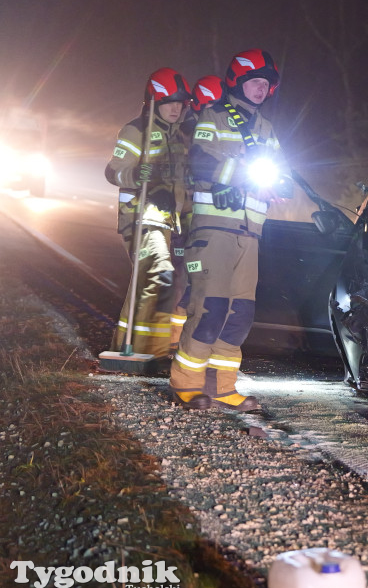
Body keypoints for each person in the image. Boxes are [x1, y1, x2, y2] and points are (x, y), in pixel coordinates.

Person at [170, 50, 291, 411]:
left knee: (239, 314)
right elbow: (201, 159)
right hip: (215, 230)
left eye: (266, 83)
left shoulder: (267, 130)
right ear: (238, 81)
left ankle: (222, 388)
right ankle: (186, 384)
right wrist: (237, 175)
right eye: (255, 81)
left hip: (249, 235)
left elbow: (282, 175)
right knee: (210, 307)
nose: (261, 88)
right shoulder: (214, 115)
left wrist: (279, 184)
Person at [105, 68, 191, 359]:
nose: (175, 107)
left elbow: (181, 186)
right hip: (140, 219)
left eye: (180, 102)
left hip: (167, 223)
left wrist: (188, 221)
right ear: (153, 100)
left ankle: (132, 348)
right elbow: (112, 172)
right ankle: (151, 351)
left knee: (157, 282)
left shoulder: (178, 137)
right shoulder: (136, 130)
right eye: (169, 101)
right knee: (160, 274)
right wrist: (137, 174)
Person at [169, 75, 226, 351]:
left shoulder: (219, 127)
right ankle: (174, 339)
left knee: (202, 276)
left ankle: (193, 337)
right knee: (183, 274)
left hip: (210, 218)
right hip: (186, 216)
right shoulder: (186, 133)